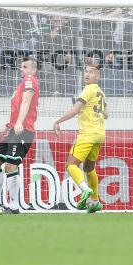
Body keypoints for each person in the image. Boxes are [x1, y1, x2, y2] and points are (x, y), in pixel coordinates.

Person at [52, 61, 108, 214]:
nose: (87, 74)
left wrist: (58, 121)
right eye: (86, 71)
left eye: (91, 72)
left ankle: (84, 189)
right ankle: (95, 201)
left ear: (97, 76)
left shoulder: (88, 89)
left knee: (71, 165)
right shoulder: (100, 92)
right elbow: (107, 114)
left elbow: (76, 109)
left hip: (87, 134)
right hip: (100, 134)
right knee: (89, 168)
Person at [0, 57, 40, 214]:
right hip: (13, 130)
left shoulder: (30, 80)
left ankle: (14, 205)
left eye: (25, 67)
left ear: (33, 70)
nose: (22, 69)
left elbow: (26, 102)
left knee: (11, 166)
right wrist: (6, 128)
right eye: (21, 67)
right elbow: (17, 109)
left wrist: (19, 123)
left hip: (23, 130)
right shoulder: (21, 85)